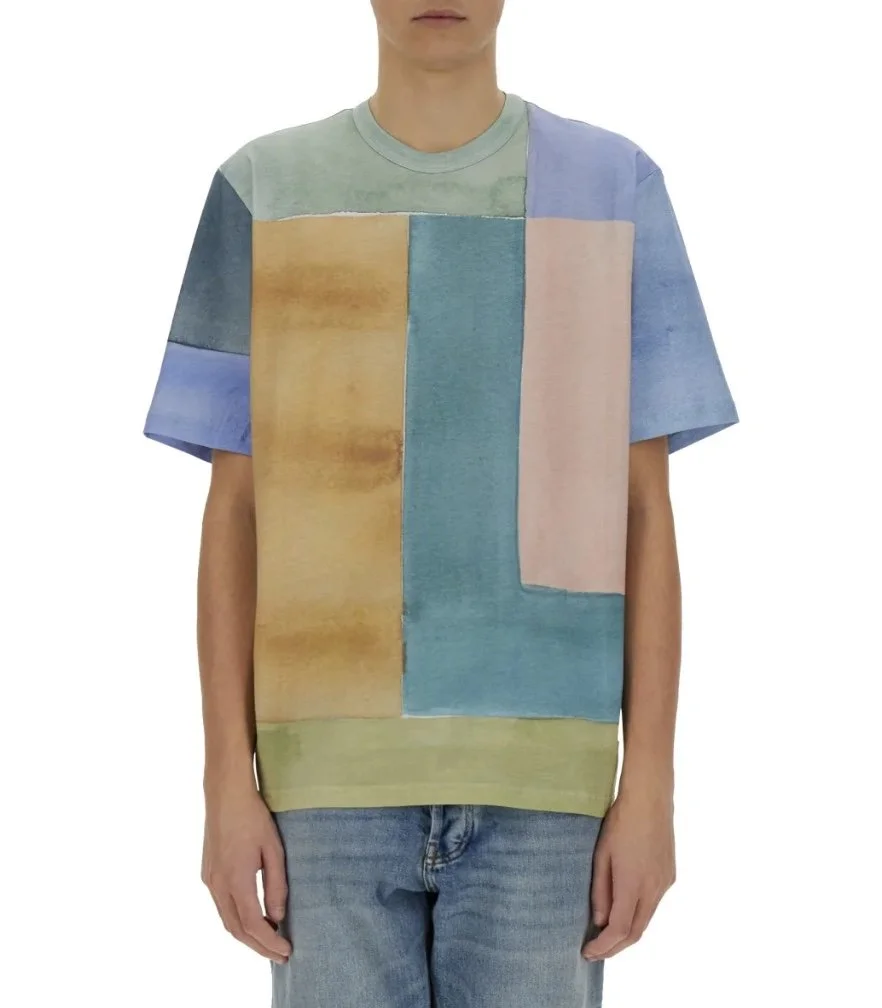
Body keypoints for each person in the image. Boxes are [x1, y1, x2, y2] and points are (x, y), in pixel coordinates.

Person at [142, 1, 739, 1005]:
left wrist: (651, 788)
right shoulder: (263, 188)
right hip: (321, 785)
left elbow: (646, 509)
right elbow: (233, 510)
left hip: (548, 783)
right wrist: (222, 782)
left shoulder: (615, 185)